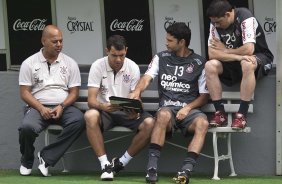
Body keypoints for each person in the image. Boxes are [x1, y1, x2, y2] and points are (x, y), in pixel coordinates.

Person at [130, 22, 209, 184]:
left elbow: (204, 96)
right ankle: (151, 168)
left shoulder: (200, 63)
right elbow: (147, 78)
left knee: (203, 123)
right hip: (167, 109)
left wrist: (187, 108)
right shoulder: (161, 57)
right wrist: (137, 91)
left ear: (182, 42)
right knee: (163, 114)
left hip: (189, 111)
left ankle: (186, 170)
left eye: (170, 40)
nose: (166, 43)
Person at [84, 34, 155, 181]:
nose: (118, 59)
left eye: (121, 55)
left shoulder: (133, 67)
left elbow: (136, 98)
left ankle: (120, 163)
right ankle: (105, 164)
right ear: (107, 51)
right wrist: (102, 106)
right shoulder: (98, 65)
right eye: (114, 55)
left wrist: (134, 112)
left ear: (126, 51)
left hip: (125, 112)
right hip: (105, 112)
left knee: (150, 123)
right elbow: (91, 100)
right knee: (90, 115)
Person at [18, 25, 85, 177]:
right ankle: (27, 160)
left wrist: (62, 106)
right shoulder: (29, 63)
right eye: (55, 41)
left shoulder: (70, 63)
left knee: (79, 121)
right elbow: (24, 93)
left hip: (64, 107)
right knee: (27, 128)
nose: (59, 45)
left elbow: (74, 93)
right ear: (43, 41)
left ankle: (47, 157)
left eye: (61, 41)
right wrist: (41, 108)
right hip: (37, 107)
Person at [205, 0, 274, 129]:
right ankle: (219, 113)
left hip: (259, 56)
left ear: (227, 14)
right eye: (214, 22)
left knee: (246, 63)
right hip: (236, 59)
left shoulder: (245, 17)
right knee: (210, 65)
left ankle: (241, 115)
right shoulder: (214, 23)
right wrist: (237, 56)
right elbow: (212, 54)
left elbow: (249, 50)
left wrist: (225, 50)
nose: (216, 25)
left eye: (218, 22)